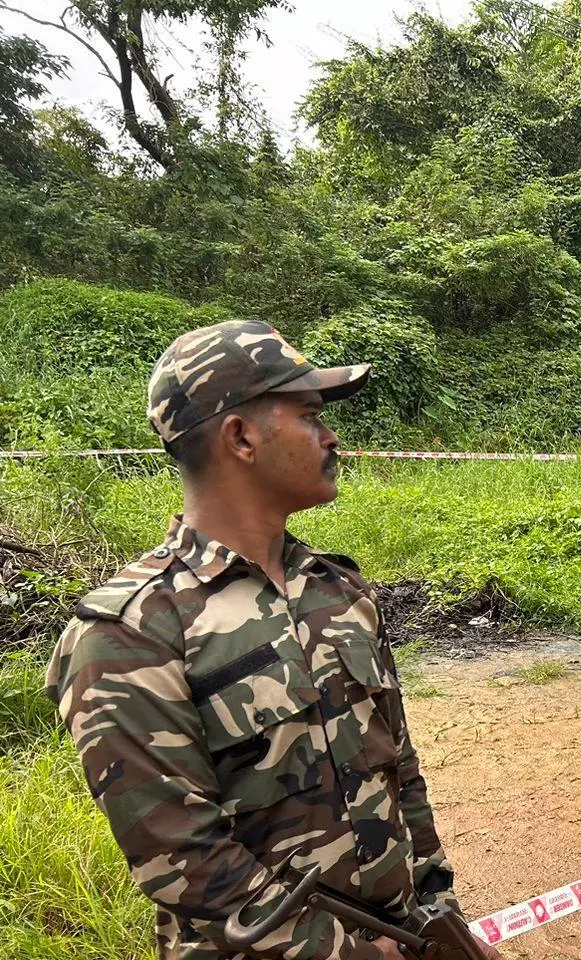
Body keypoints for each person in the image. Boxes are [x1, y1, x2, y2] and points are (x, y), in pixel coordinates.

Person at [46, 321, 502, 960]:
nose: (331, 435)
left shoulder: (337, 591)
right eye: (310, 415)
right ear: (240, 436)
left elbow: (399, 770)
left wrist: (437, 908)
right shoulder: (131, 634)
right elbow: (186, 860)